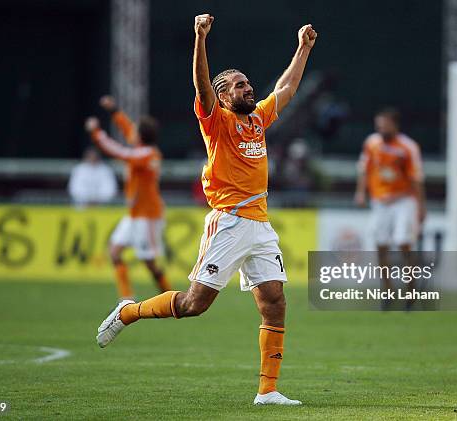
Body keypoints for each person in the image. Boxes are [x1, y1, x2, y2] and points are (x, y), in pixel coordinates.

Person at [94, 14, 317, 406]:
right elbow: (201, 83)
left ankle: (268, 391)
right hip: (229, 222)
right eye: (239, 85)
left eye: (248, 83)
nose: (249, 89)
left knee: (275, 302)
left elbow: (286, 87)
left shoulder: (259, 120)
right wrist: (200, 38)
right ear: (223, 95)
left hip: (260, 225)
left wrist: (303, 48)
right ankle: (129, 311)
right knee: (194, 305)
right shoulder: (216, 121)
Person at [84, 97, 171, 299]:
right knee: (114, 252)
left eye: (136, 131)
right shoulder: (144, 150)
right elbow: (127, 129)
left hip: (148, 215)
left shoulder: (147, 155)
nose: (132, 132)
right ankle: (126, 300)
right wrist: (114, 110)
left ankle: (169, 297)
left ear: (141, 136)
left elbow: (118, 151)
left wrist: (96, 133)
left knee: (149, 263)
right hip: (135, 214)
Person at [355, 108, 426, 310]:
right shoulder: (372, 143)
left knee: (404, 242)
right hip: (380, 201)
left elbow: (417, 178)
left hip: (404, 200)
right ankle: (387, 291)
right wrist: (361, 192)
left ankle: (411, 290)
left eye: (384, 125)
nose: (380, 129)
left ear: (395, 125)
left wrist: (421, 207)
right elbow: (363, 168)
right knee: (380, 245)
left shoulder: (408, 147)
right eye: (378, 126)